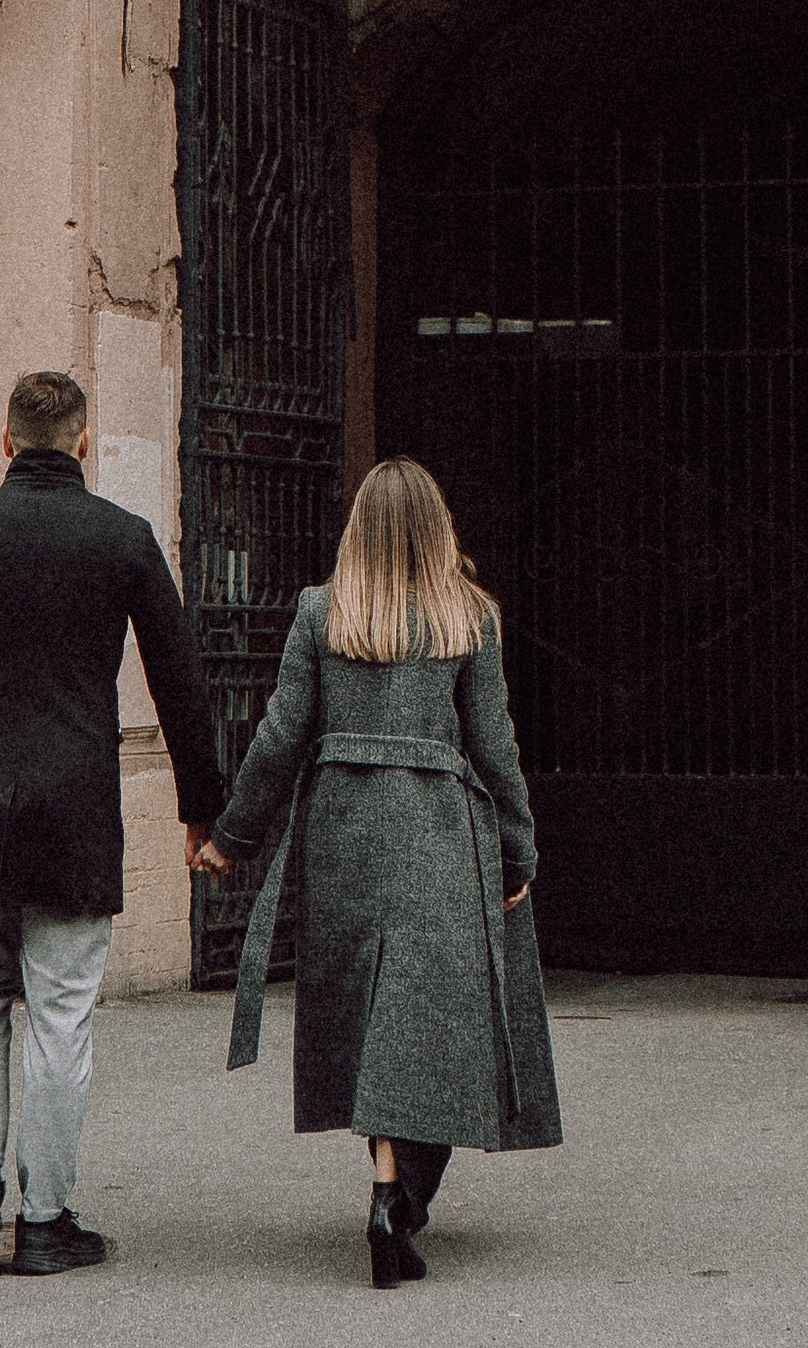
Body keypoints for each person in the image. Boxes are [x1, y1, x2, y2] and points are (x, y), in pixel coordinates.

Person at [0, 366, 223, 1275]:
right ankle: (48, 1217)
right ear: (83, 440)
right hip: (73, 801)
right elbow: (181, 684)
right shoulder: (123, 540)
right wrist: (202, 810)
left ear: (4, 443)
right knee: (62, 1013)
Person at [190, 455, 561, 1287]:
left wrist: (233, 837)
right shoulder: (469, 618)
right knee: (432, 1019)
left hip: (344, 833)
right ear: (439, 530)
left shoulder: (321, 613)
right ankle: (398, 1199)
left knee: (367, 1014)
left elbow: (280, 734)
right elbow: (494, 747)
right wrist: (518, 850)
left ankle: (391, 1189)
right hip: (440, 835)